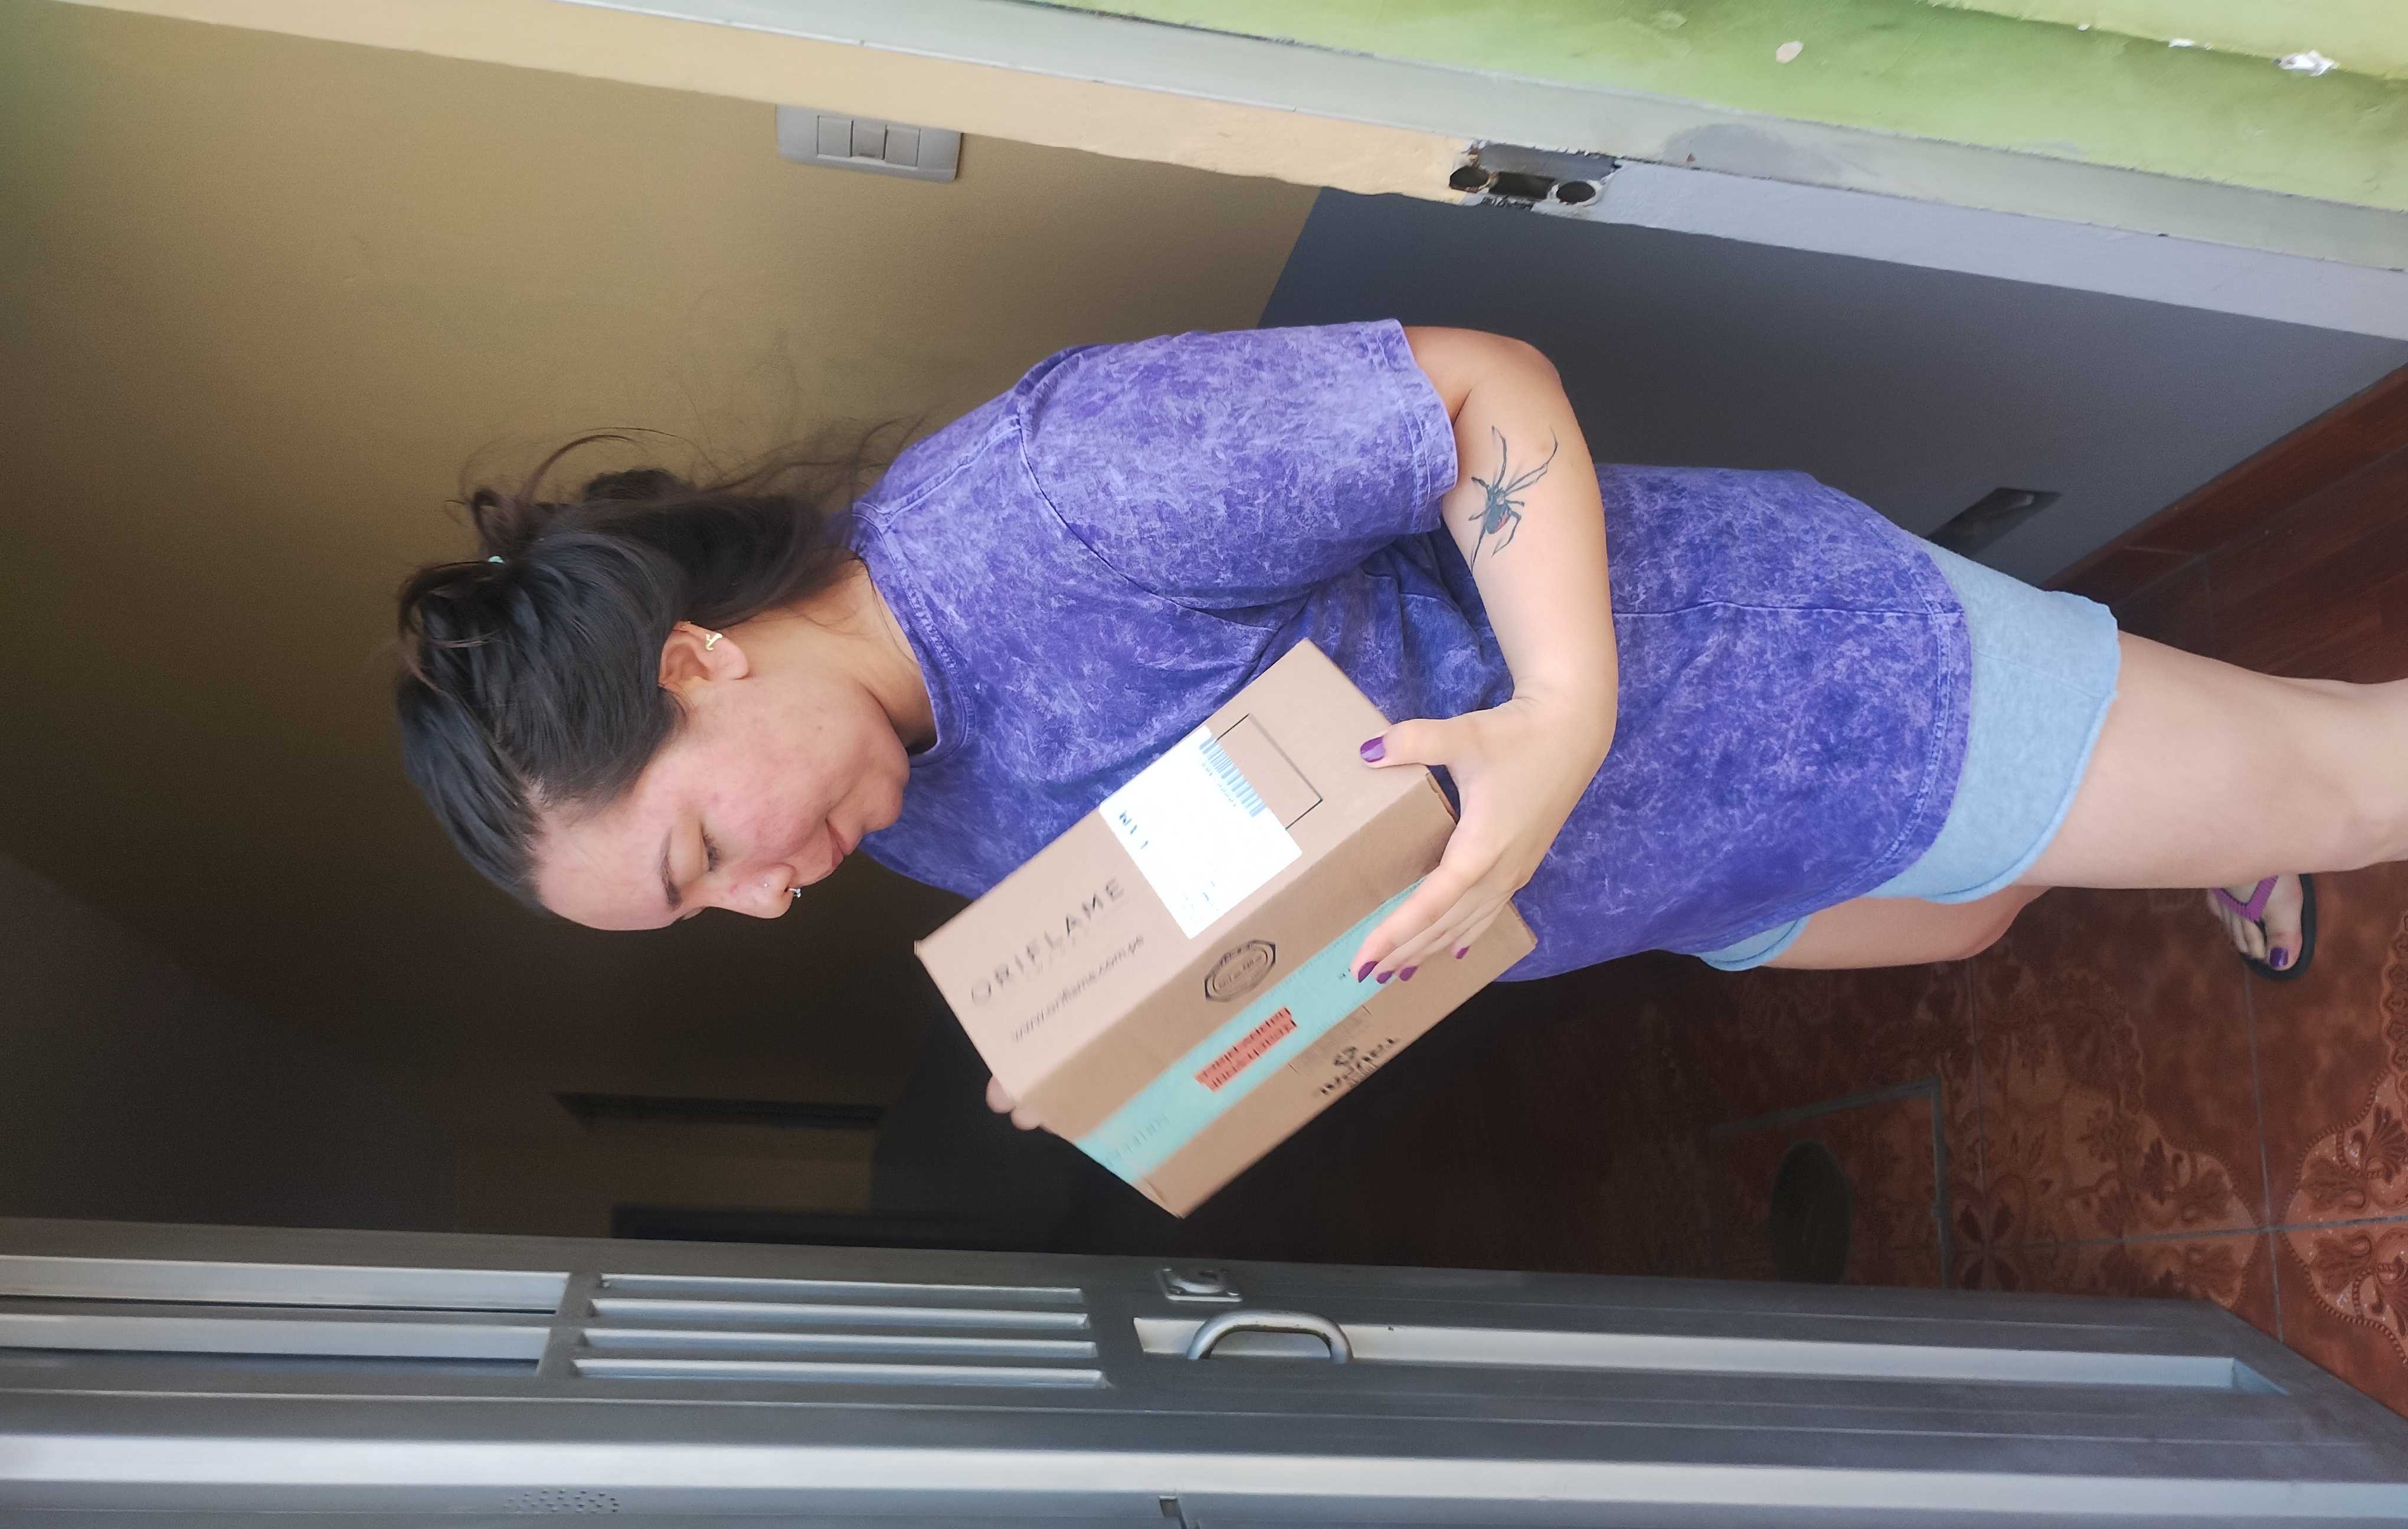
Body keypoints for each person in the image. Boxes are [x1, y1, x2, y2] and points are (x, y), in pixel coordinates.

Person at [397, 322, 2343, 1093]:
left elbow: (1484, 394)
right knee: (1986, 915)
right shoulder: (906, 815)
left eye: (701, 854)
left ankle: (2222, 794)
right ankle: (2181, 815)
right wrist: (1119, 1043)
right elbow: (1251, 870)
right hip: (1686, 880)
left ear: (695, 660)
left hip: (1824, 684)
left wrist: (1561, 715)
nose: (762, 900)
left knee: (2345, 781)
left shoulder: (1060, 498)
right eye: (704, 912)